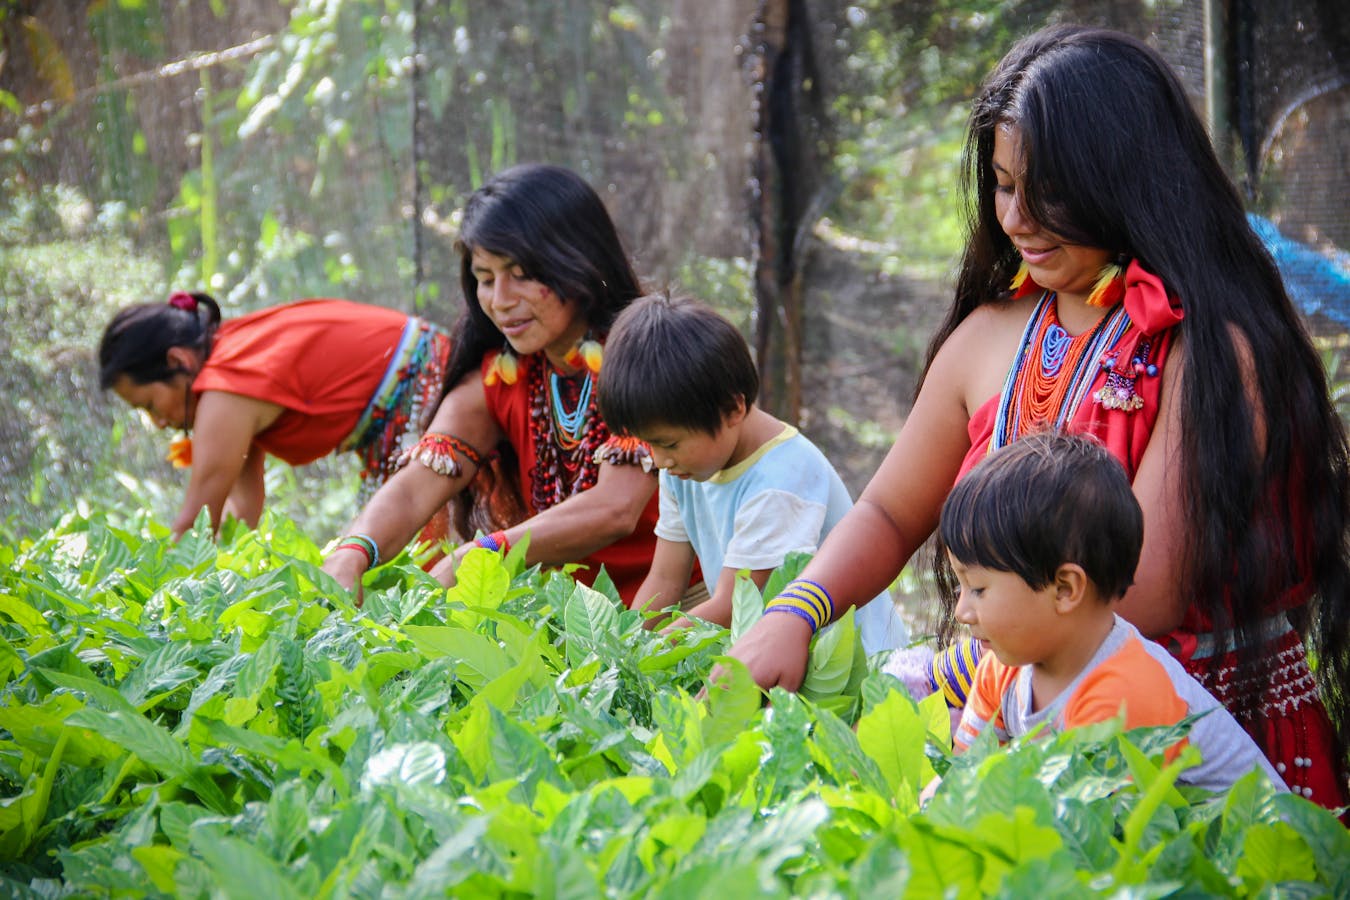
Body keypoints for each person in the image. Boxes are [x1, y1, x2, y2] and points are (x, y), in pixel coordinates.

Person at [723, 25, 1350, 812]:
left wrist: (955, 670)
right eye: (1003, 184)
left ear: (1125, 178)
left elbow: (1142, 596)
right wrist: (795, 611)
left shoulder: (1211, 349)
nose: (1016, 217)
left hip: (1185, 740)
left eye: (1048, 190)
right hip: (1026, 719)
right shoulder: (985, 337)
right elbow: (887, 512)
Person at [322, 164, 682, 605]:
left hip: (683, 610)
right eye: (486, 279)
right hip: (573, 620)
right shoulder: (501, 375)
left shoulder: (641, 354)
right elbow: (419, 484)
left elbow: (615, 510)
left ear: (578, 261)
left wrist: (482, 553)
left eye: (522, 274)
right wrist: (352, 552)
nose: (501, 300)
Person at [935, 431, 1284, 796]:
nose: (962, 611)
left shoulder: (1122, 696)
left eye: (977, 589)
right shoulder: (1004, 667)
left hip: (1256, 850)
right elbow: (961, 785)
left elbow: (1089, 836)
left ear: (1066, 589)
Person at [597, 292, 908, 654]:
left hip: (853, 667)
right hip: (778, 652)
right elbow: (665, 578)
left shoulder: (781, 479)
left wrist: (645, 653)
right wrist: (620, 649)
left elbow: (732, 606)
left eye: (668, 444)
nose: (659, 459)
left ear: (732, 409)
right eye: (649, 444)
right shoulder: (684, 468)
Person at [99, 294, 475, 540]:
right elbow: (241, 513)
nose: (158, 422)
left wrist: (155, 590)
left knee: (420, 560)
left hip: (424, 388)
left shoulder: (225, 389)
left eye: (149, 405)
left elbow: (198, 520)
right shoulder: (234, 364)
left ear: (177, 361)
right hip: (419, 384)